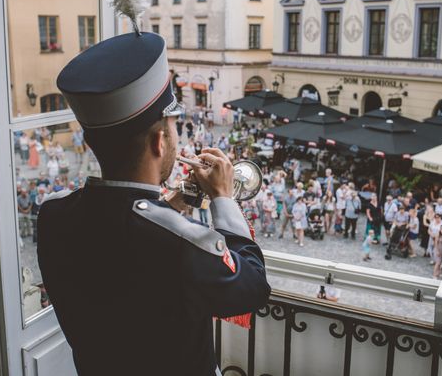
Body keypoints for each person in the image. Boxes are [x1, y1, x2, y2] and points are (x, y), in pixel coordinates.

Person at [38, 26, 270, 376]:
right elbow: (251, 287)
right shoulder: (180, 242)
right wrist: (223, 198)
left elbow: (121, 244)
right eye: (175, 126)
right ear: (160, 141)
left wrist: (171, 207)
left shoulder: (53, 215)